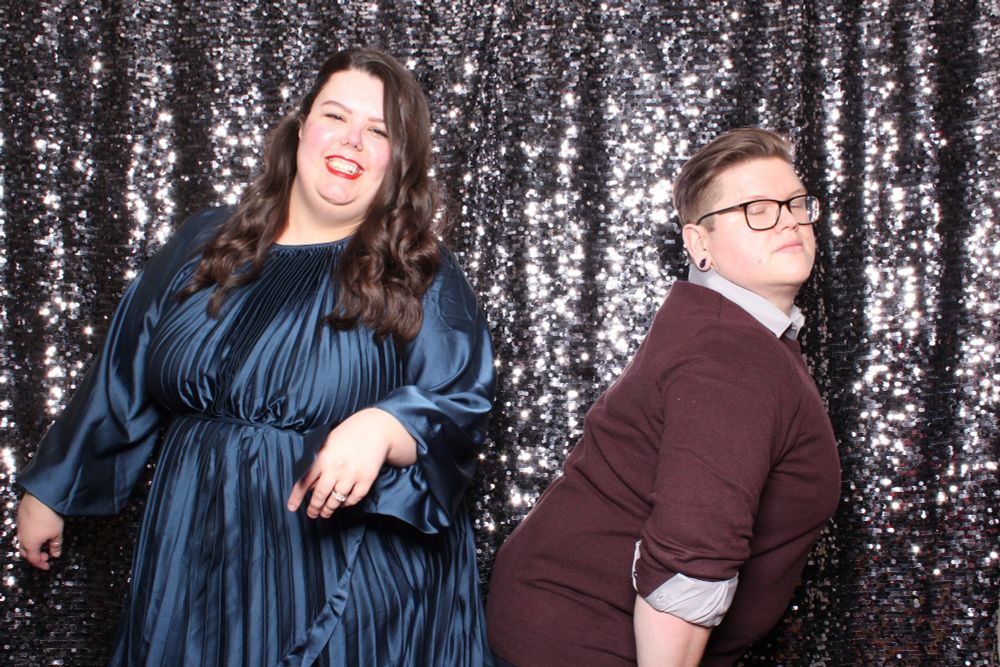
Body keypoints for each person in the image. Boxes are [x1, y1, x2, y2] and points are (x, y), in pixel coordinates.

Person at [15, 47, 496, 666]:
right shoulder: (205, 241)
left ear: (399, 161)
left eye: (378, 131)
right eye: (335, 116)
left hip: (341, 575)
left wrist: (387, 425)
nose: (352, 140)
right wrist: (51, 490)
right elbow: (123, 369)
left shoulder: (419, 272)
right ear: (300, 128)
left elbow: (459, 405)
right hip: (193, 544)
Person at [487, 128, 841, 666]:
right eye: (757, 209)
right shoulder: (731, 354)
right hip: (586, 641)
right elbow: (689, 562)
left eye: (795, 203)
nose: (789, 219)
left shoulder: (732, 329)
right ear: (700, 245)